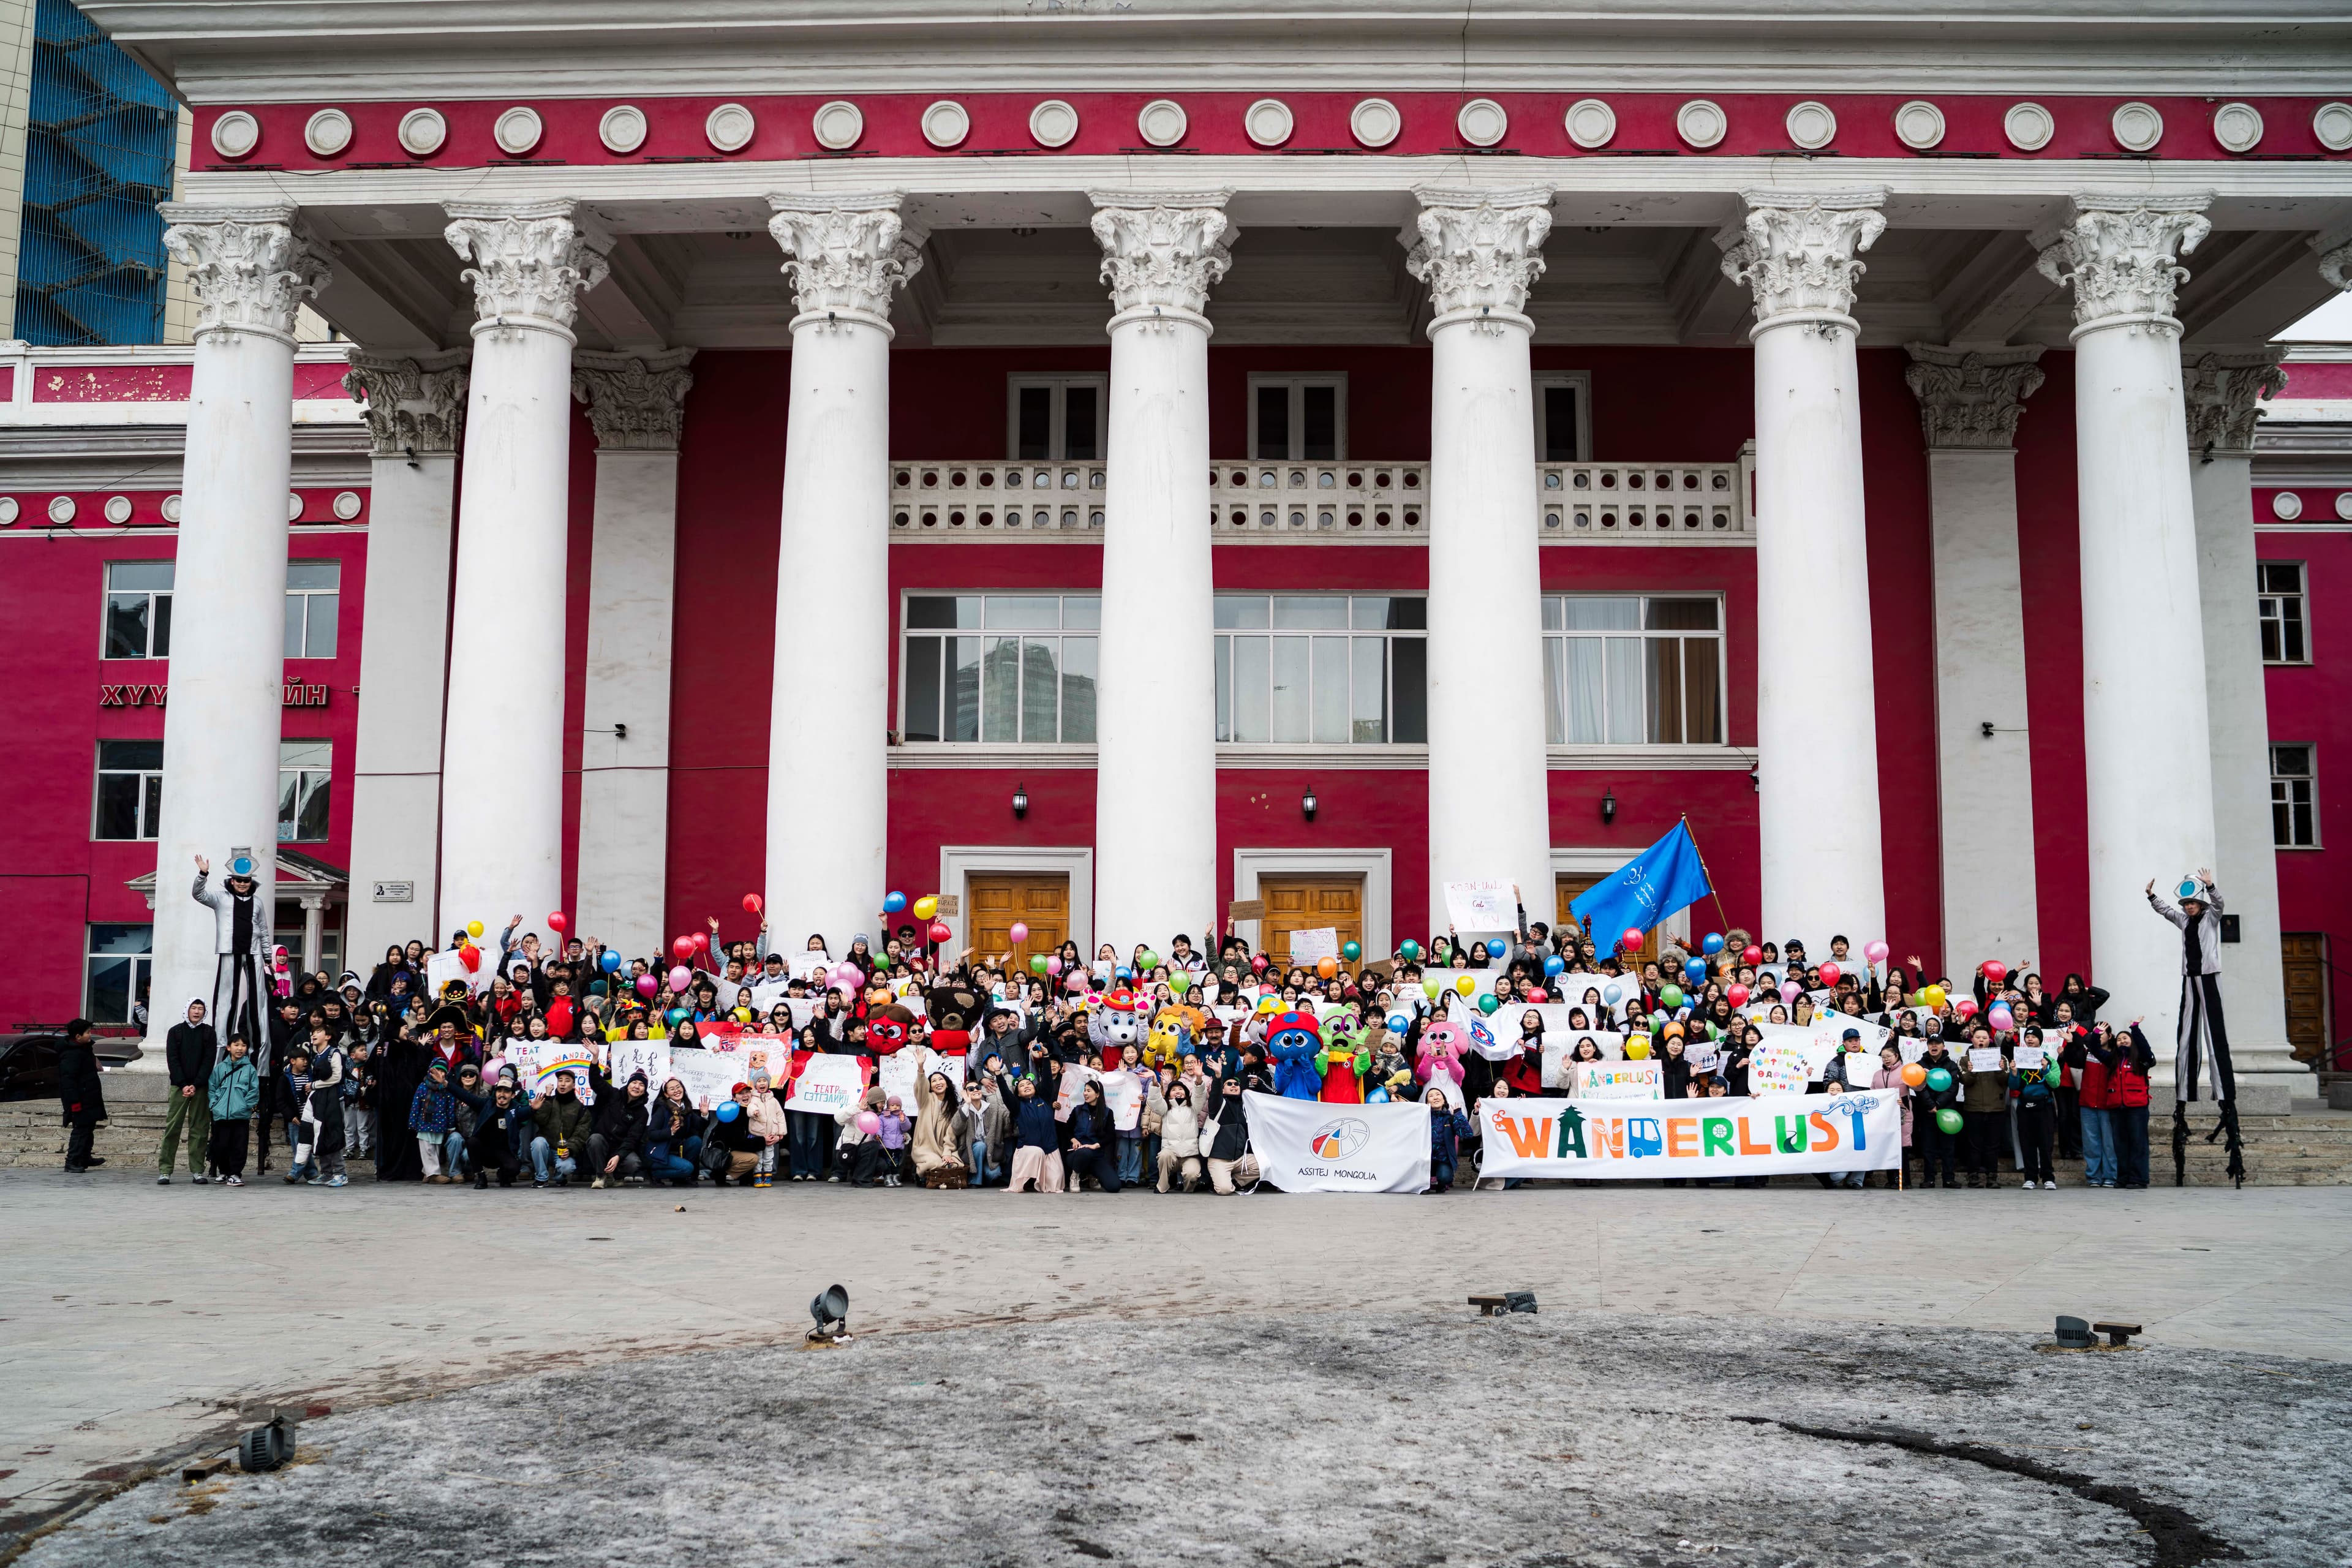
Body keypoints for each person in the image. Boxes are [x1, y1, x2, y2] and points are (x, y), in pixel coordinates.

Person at [2148, 870, 2243, 1180]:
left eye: (2192, 904)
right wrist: (2151, 896)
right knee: (2187, 1032)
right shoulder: (2184, 921)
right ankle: (2184, 1095)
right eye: (2186, 905)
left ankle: (2224, 1096)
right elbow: (2166, 912)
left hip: (2209, 976)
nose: (2188, 909)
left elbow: (2220, 903)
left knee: (2215, 1034)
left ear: (2200, 904)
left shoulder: (2210, 918)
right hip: (2189, 977)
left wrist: (2212, 885)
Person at [158, 998, 216, 1185]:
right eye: (194, 1008)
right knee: (173, 1128)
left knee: (199, 1129)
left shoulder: (209, 1032)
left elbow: (209, 1060)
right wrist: (183, 1084)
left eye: (201, 1008)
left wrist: (196, 1084)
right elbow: (172, 1060)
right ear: (187, 1010)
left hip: (200, 1088)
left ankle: (198, 1170)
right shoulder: (175, 1032)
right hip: (179, 1087)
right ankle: (165, 1170)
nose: (197, 1012)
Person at [1000, 1060, 1065, 1194]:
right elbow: (1006, 1095)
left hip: (1050, 1148)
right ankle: (1026, 1180)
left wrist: (1046, 1057)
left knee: (1055, 1187)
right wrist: (997, 1074)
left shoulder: (1045, 1101)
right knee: (1037, 1152)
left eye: (1029, 1083)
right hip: (1028, 1150)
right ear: (1018, 1093)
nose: (1026, 1086)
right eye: (1022, 1086)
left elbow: (1047, 1080)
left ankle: (1038, 1180)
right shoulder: (1017, 1106)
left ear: (1035, 1088)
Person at [205, 1033, 261, 1185]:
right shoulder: (220, 1068)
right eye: (236, 1045)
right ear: (229, 1047)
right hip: (221, 1113)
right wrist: (215, 1105)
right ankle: (224, 1172)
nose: (240, 1048)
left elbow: (254, 1091)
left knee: (239, 1145)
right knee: (221, 1145)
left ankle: (235, 1173)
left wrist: (244, 1105)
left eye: (243, 1045)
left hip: (240, 1115)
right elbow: (212, 1088)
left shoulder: (250, 1069)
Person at [2111, 1021, 2158, 1189]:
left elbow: (2146, 1049)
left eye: (2126, 1038)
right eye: (2119, 1039)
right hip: (2118, 1107)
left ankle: (2139, 1178)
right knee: (2121, 1145)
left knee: (2138, 1143)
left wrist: (2135, 1030)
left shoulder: (2141, 1058)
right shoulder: (2114, 1060)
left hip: (2137, 1107)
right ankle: (2123, 1178)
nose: (2122, 1041)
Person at [529, 1069, 594, 1188]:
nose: (563, 1084)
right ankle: (541, 1178)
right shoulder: (549, 1100)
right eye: (560, 1081)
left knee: (567, 1167)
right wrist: (546, 1100)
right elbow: (540, 1120)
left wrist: (569, 1149)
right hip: (547, 1148)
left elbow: (581, 1134)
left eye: (567, 1081)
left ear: (574, 1085)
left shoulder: (580, 1108)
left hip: (564, 1151)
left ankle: (560, 1176)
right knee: (538, 1143)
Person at [466, 1076, 533, 1188]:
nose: (502, 1094)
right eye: (499, 1091)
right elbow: (465, 1096)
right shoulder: (486, 1105)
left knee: (514, 1168)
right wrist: (446, 1083)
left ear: (513, 1095)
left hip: (504, 1154)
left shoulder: (515, 1109)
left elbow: (525, 1112)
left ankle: (503, 1175)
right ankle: (481, 1177)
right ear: (495, 1093)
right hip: (485, 1152)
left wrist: (533, 1109)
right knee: (472, 1142)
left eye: (506, 1091)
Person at [588, 1070, 650, 1188]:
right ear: (628, 1085)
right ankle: (600, 1176)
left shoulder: (643, 1113)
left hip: (620, 1148)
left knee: (634, 1163)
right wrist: (595, 1059)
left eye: (641, 1085)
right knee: (595, 1139)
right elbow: (596, 1082)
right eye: (634, 1083)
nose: (637, 1087)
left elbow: (633, 1139)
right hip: (603, 1143)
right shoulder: (614, 1094)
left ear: (644, 1091)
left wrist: (618, 1156)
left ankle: (616, 1175)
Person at [409, 1057, 462, 1183]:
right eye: (437, 1070)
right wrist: (413, 1122)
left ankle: (426, 1173)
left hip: (440, 1124)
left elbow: (450, 1108)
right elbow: (416, 1105)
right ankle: (433, 1174)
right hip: (424, 1123)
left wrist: (451, 1125)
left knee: (435, 1149)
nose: (440, 1073)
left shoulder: (446, 1089)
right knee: (427, 1149)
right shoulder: (423, 1087)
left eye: (443, 1071)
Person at [644, 1079, 705, 1187]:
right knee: (688, 1168)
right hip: (661, 1150)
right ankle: (654, 1174)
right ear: (667, 1094)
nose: (676, 1090)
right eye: (672, 1089)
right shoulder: (662, 1109)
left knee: (696, 1141)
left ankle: (682, 1178)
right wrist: (670, 1131)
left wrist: (704, 1115)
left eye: (678, 1087)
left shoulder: (686, 1107)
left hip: (677, 1148)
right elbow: (652, 1133)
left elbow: (699, 1127)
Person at [1064, 1079, 1121, 1193]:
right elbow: (1067, 1130)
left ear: (1098, 1094)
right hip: (1076, 1155)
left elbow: (1111, 1135)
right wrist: (1074, 1139)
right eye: (1085, 1090)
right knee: (1085, 1152)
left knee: (1114, 1186)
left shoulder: (1107, 1113)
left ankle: (1091, 1175)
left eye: (1089, 1091)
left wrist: (1097, 1145)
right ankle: (1075, 1176)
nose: (1085, 1093)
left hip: (1096, 1155)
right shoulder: (1078, 1110)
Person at [1156, 1080, 1202, 1193]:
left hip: (1190, 1155)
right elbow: (1155, 1101)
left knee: (1192, 1174)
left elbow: (1200, 1095)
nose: (1178, 1091)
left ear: (1186, 1093)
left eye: (1181, 1089)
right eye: (1174, 1090)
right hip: (1172, 1154)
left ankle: (1187, 1190)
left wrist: (1199, 1079)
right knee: (1163, 1156)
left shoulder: (1193, 1107)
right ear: (1168, 1095)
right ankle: (1162, 1187)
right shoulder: (1165, 1108)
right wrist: (1154, 1082)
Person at [1425, 1085, 1471, 1194]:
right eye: (1431, 1096)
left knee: (1445, 1177)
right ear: (1427, 1103)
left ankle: (1442, 1185)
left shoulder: (1450, 1118)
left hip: (1443, 1159)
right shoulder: (1423, 1118)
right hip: (1426, 1159)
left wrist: (1459, 1116)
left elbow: (1468, 1134)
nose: (1435, 1097)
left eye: (1438, 1095)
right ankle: (1424, 1184)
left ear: (1444, 1100)